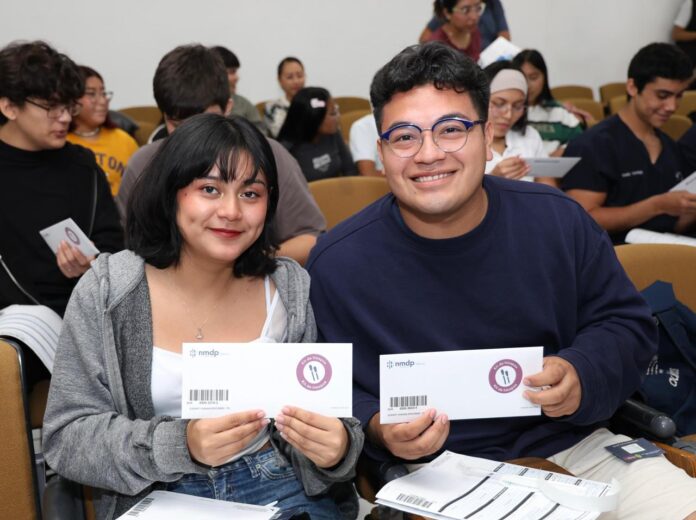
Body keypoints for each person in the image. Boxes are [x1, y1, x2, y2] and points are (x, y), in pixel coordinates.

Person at [307, 42, 696, 519]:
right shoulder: (338, 261)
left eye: (451, 130)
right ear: (382, 151)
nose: (429, 155)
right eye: (405, 137)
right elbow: (325, 382)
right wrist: (377, 424)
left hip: (577, 445)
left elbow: (626, 325)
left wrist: (580, 371)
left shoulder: (559, 222)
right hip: (432, 473)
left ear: (488, 136)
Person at [43, 113, 363, 520]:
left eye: (251, 194)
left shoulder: (289, 289)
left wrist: (337, 448)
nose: (231, 211)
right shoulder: (109, 290)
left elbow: (332, 415)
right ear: (171, 193)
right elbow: (66, 437)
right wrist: (182, 444)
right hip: (158, 493)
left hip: (280, 486)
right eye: (209, 189)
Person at [117, 45, 326, 266]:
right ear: (164, 116)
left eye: (207, 122)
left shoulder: (269, 155)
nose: (193, 139)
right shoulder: (143, 164)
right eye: (177, 125)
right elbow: (128, 248)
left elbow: (310, 237)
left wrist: (248, 266)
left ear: (228, 108)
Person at [0, 41, 123, 318]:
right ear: (9, 107)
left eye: (68, 106)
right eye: (51, 107)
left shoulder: (83, 167)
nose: (65, 118)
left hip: (79, 315)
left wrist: (91, 264)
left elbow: (114, 248)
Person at [562, 43, 696, 244]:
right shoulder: (594, 145)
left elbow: (675, 224)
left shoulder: (669, 147)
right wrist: (657, 205)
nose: (672, 106)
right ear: (632, 87)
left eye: (679, 96)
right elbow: (583, 218)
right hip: (615, 261)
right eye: (662, 95)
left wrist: (687, 209)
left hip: (668, 256)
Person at [67, 66, 139, 195]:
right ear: (72, 100)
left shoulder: (124, 140)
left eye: (103, 93)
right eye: (91, 94)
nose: (102, 101)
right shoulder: (62, 142)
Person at [483, 61, 549, 184]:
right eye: (499, 104)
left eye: (518, 106)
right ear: (480, 100)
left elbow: (549, 192)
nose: (508, 115)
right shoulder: (464, 139)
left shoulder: (530, 136)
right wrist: (492, 180)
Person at [511, 49, 584, 156]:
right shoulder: (506, 113)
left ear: (544, 78)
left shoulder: (559, 113)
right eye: (522, 78)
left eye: (533, 77)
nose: (528, 85)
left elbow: (582, 143)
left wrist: (563, 152)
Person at [278, 87, 356, 182]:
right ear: (314, 118)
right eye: (332, 113)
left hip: (336, 194)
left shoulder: (333, 134)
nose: (338, 117)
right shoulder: (285, 150)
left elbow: (350, 170)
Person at [210, 45, 266, 134]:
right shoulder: (198, 105)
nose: (237, 77)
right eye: (232, 72)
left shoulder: (244, 104)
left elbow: (261, 136)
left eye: (236, 72)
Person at [419, 0, 510, 51]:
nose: (474, 17)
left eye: (478, 8)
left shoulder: (474, 32)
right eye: (465, 10)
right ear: (447, 13)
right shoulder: (438, 43)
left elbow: (505, 37)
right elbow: (424, 38)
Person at [265, 57, 306, 138]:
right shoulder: (273, 107)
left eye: (300, 75)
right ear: (279, 80)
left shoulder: (315, 102)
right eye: (289, 77)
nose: (296, 81)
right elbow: (283, 136)